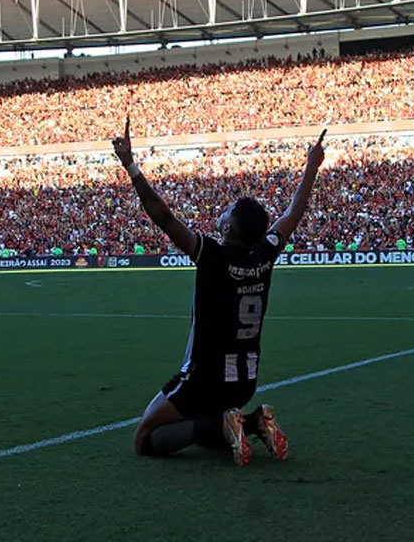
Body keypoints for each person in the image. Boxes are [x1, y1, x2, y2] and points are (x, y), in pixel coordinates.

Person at [117, 117, 325, 466]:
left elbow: (164, 218)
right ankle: (251, 420)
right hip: (244, 382)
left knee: (146, 438)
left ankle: (230, 422)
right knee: (202, 431)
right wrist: (311, 167)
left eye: (227, 211)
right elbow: (295, 212)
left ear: (228, 227)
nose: (222, 212)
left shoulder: (213, 255)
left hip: (205, 379)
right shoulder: (265, 253)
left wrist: (131, 166)